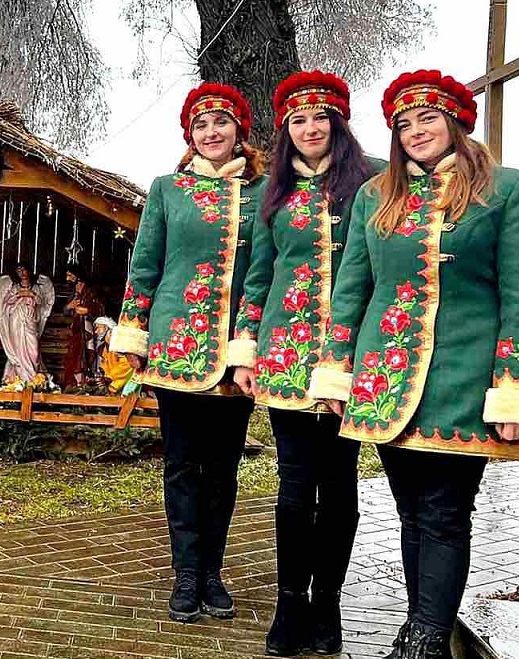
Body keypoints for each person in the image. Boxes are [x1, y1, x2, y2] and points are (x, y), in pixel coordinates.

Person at [307, 70, 519, 659]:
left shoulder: (511, 190)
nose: (415, 131)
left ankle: (427, 639)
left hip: (463, 378)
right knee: (411, 512)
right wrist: (336, 370)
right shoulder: (376, 195)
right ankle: (419, 630)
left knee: (443, 513)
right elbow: (351, 290)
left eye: (428, 118)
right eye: (404, 124)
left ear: (456, 121)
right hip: (384, 378)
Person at [226, 70, 384, 656]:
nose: (310, 128)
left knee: (339, 482)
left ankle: (328, 603)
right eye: (298, 120)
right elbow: (258, 275)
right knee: (294, 483)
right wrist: (245, 348)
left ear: (339, 123)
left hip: (351, 356)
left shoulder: (373, 182)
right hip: (286, 353)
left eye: (320, 117)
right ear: (286, 129)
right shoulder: (275, 190)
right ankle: (290, 603)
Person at [110, 82, 265, 624]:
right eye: (201, 125)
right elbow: (145, 264)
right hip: (173, 346)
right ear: (190, 136)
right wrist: (133, 331)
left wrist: (248, 345)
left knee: (222, 468)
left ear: (239, 131)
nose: (211, 132)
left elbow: (262, 274)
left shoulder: (262, 194)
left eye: (221, 123)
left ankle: (212, 573)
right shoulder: (167, 190)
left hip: (232, 354)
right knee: (181, 465)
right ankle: (184, 573)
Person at [0, 262, 55, 385]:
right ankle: (22, 379)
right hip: (16, 320)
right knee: (17, 349)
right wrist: (19, 295)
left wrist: (32, 294)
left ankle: (33, 378)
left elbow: (41, 302)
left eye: (23, 270)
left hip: (30, 320)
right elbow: (6, 302)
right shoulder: (15, 287)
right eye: (19, 271)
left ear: (28, 270)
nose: (22, 273)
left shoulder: (36, 288)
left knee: (34, 351)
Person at [62, 265, 104, 388]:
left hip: (89, 332)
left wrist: (87, 310)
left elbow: (100, 308)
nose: (67, 279)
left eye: (70, 275)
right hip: (76, 332)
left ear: (78, 277)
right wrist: (69, 307)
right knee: (74, 358)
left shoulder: (91, 292)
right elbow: (66, 310)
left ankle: (86, 384)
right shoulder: (74, 294)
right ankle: (75, 385)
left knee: (87, 356)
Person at [93, 317, 132, 394]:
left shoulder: (119, 342)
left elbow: (127, 363)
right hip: (113, 384)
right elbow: (105, 365)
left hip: (125, 383)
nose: (96, 332)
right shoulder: (104, 347)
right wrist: (102, 377)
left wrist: (110, 377)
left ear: (107, 328)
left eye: (98, 328)